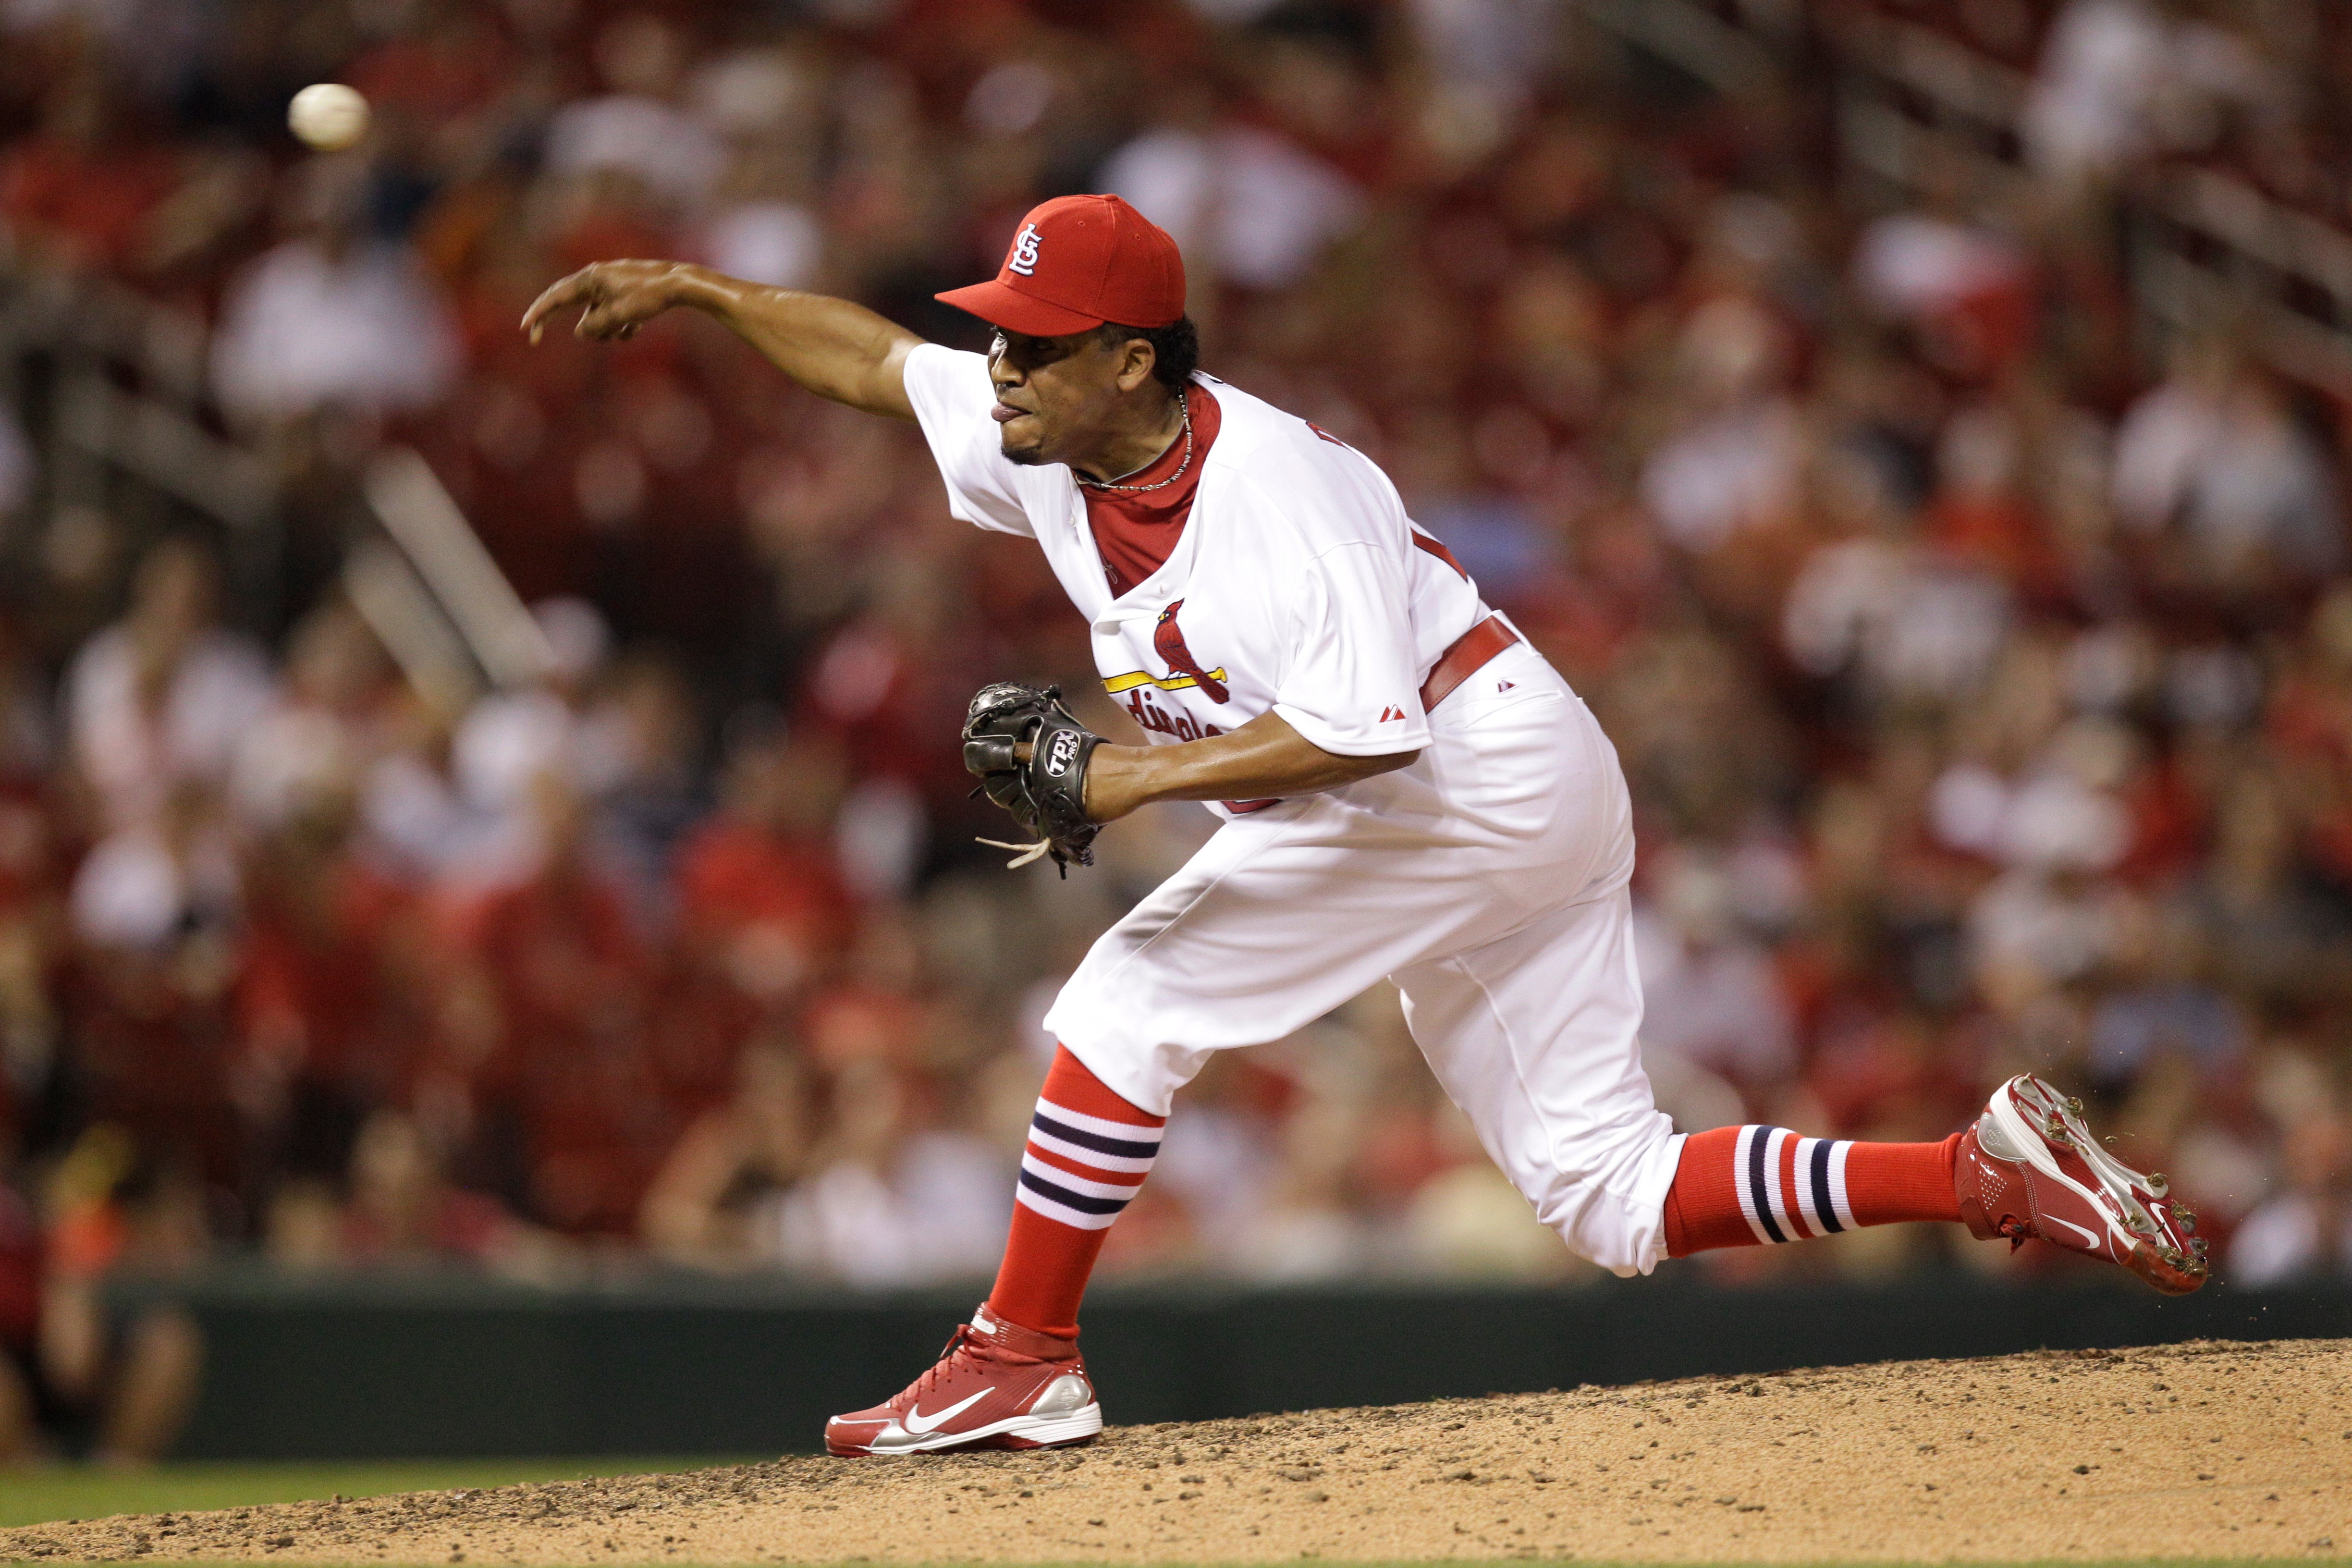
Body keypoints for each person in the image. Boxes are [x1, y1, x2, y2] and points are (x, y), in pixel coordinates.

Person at [522, 194, 2207, 1458]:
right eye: (1005, 335)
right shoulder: (1052, 431)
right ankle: (1984, 1175)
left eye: (1033, 343)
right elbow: (884, 367)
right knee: (1610, 1199)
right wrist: (705, 294)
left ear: (1135, 361)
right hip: (1499, 784)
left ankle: (1020, 1354)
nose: (1003, 366)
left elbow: (1362, 739)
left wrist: (1118, 777)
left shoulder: (1276, 497)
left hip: (1470, 764)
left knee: (1129, 999)